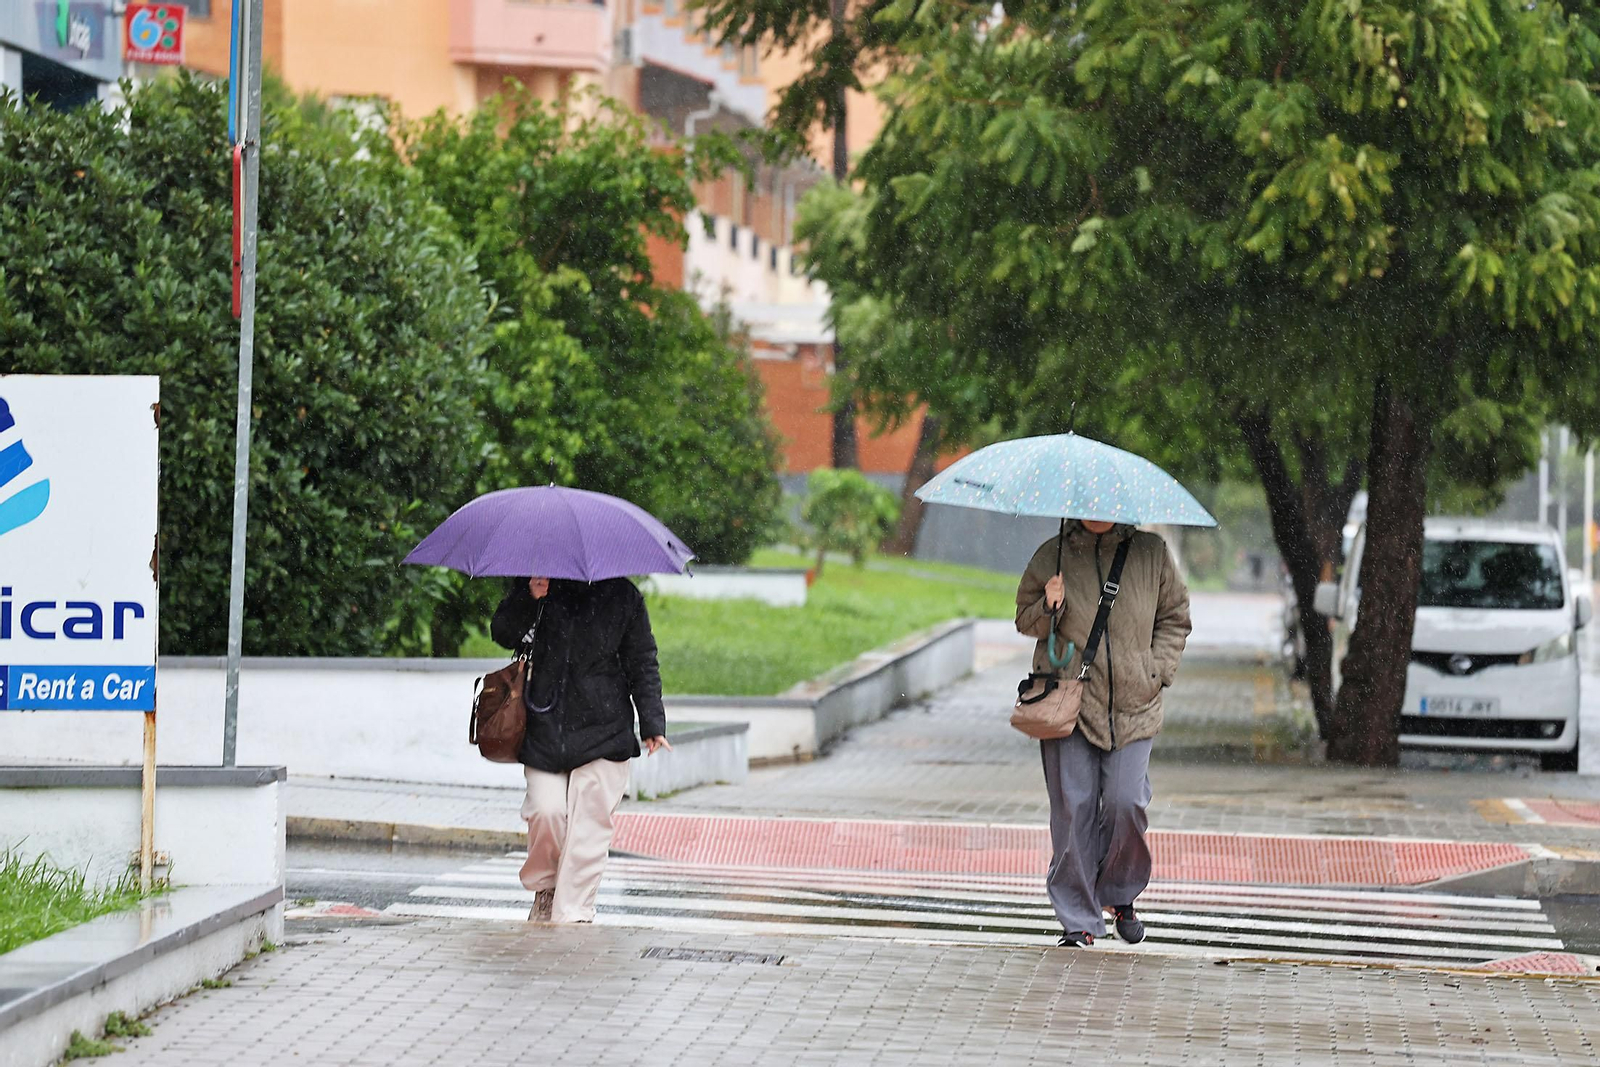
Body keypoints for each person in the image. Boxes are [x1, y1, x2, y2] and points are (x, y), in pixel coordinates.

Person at [1015, 519, 1191, 948]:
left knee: (1124, 802)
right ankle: (1077, 919)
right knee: (1073, 809)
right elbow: (1024, 620)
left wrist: (1157, 670)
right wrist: (1048, 606)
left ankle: (1119, 892)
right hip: (1069, 701)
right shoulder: (1052, 555)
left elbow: (1175, 617)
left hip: (1135, 703)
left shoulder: (1151, 553)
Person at [491, 575, 670, 924]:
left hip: (605, 730)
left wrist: (652, 723)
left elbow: (642, 660)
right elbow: (503, 633)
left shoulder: (623, 595)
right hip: (545, 726)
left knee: (588, 827)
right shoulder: (538, 581)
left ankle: (573, 915)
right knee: (546, 813)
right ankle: (547, 889)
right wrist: (530, 597)